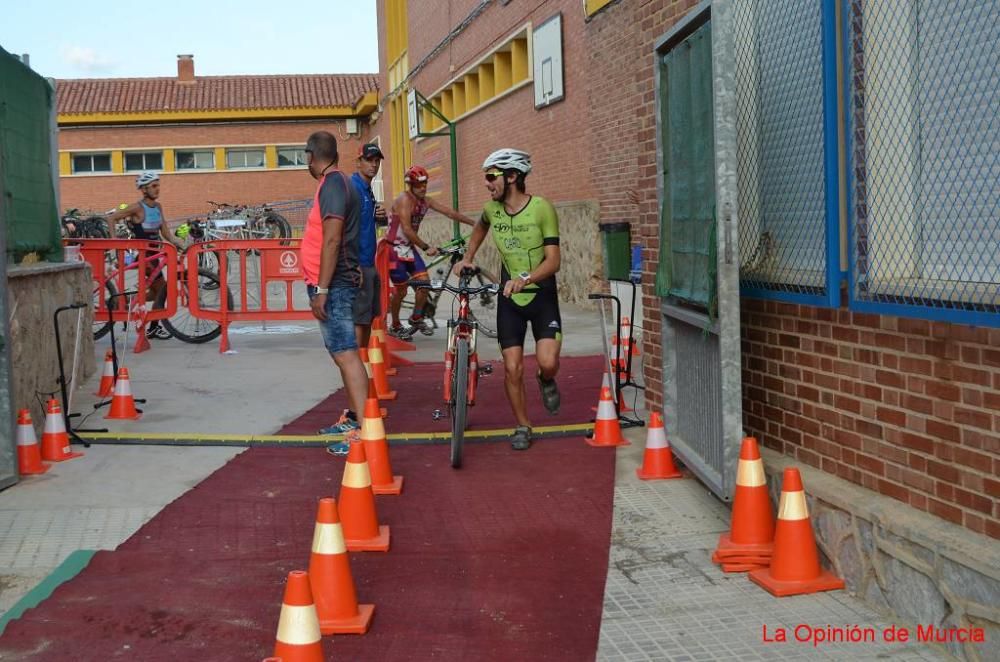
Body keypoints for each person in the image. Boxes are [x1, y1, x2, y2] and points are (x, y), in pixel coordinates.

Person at [455, 149, 562, 451]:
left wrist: (525, 280)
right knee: (512, 367)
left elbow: (553, 261)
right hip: (509, 301)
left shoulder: (542, 208)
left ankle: (546, 379)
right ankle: (522, 425)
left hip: (541, 295)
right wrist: (468, 257)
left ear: (512, 176)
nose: (487, 183)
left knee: (548, 362)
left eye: (491, 177)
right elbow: (480, 227)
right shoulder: (492, 210)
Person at [299, 131, 370, 456]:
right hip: (331, 280)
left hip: (334, 283)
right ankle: (356, 419)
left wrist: (323, 289)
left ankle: (364, 432)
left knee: (346, 352)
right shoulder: (336, 184)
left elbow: (332, 238)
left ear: (311, 156)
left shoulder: (333, 185)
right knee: (340, 352)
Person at [324, 142, 388, 433]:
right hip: (357, 269)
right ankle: (356, 414)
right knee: (354, 348)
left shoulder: (367, 190)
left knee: (359, 342)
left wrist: (378, 218)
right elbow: (337, 233)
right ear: (358, 160)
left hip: (367, 264)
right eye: (369, 159)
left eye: (377, 160)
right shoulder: (350, 185)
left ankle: (360, 411)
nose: (373, 165)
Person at [386, 165, 476, 338]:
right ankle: (395, 324)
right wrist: (426, 247)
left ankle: (416, 318)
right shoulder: (404, 200)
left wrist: (474, 223)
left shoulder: (425, 201)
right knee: (401, 291)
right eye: (419, 185)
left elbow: (449, 212)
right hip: (393, 249)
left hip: (409, 249)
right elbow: (406, 229)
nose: (423, 188)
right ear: (410, 185)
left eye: (425, 183)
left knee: (424, 283)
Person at [105, 171, 185, 340]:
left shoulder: (158, 207)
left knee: (158, 293)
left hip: (155, 255)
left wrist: (177, 242)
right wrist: (114, 241)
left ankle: (127, 300)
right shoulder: (137, 207)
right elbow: (111, 218)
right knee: (164, 290)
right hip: (144, 257)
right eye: (153, 186)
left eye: (158, 185)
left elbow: (165, 232)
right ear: (143, 189)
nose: (157, 189)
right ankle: (153, 327)